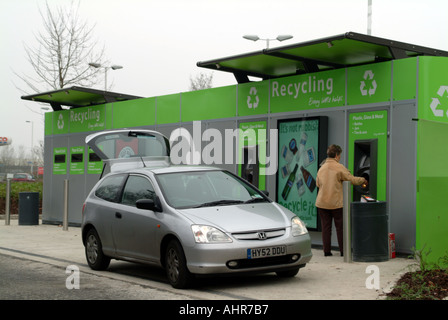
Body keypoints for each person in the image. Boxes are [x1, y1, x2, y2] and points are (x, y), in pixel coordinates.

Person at [315, 144, 367, 257]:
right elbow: (352, 179)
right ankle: (343, 251)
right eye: (340, 155)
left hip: (322, 203)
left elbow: (317, 184)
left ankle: (327, 252)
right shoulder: (339, 167)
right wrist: (364, 180)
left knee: (326, 228)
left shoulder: (321, 168)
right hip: (336, 204)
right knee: (340, 228)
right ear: (337, 155)